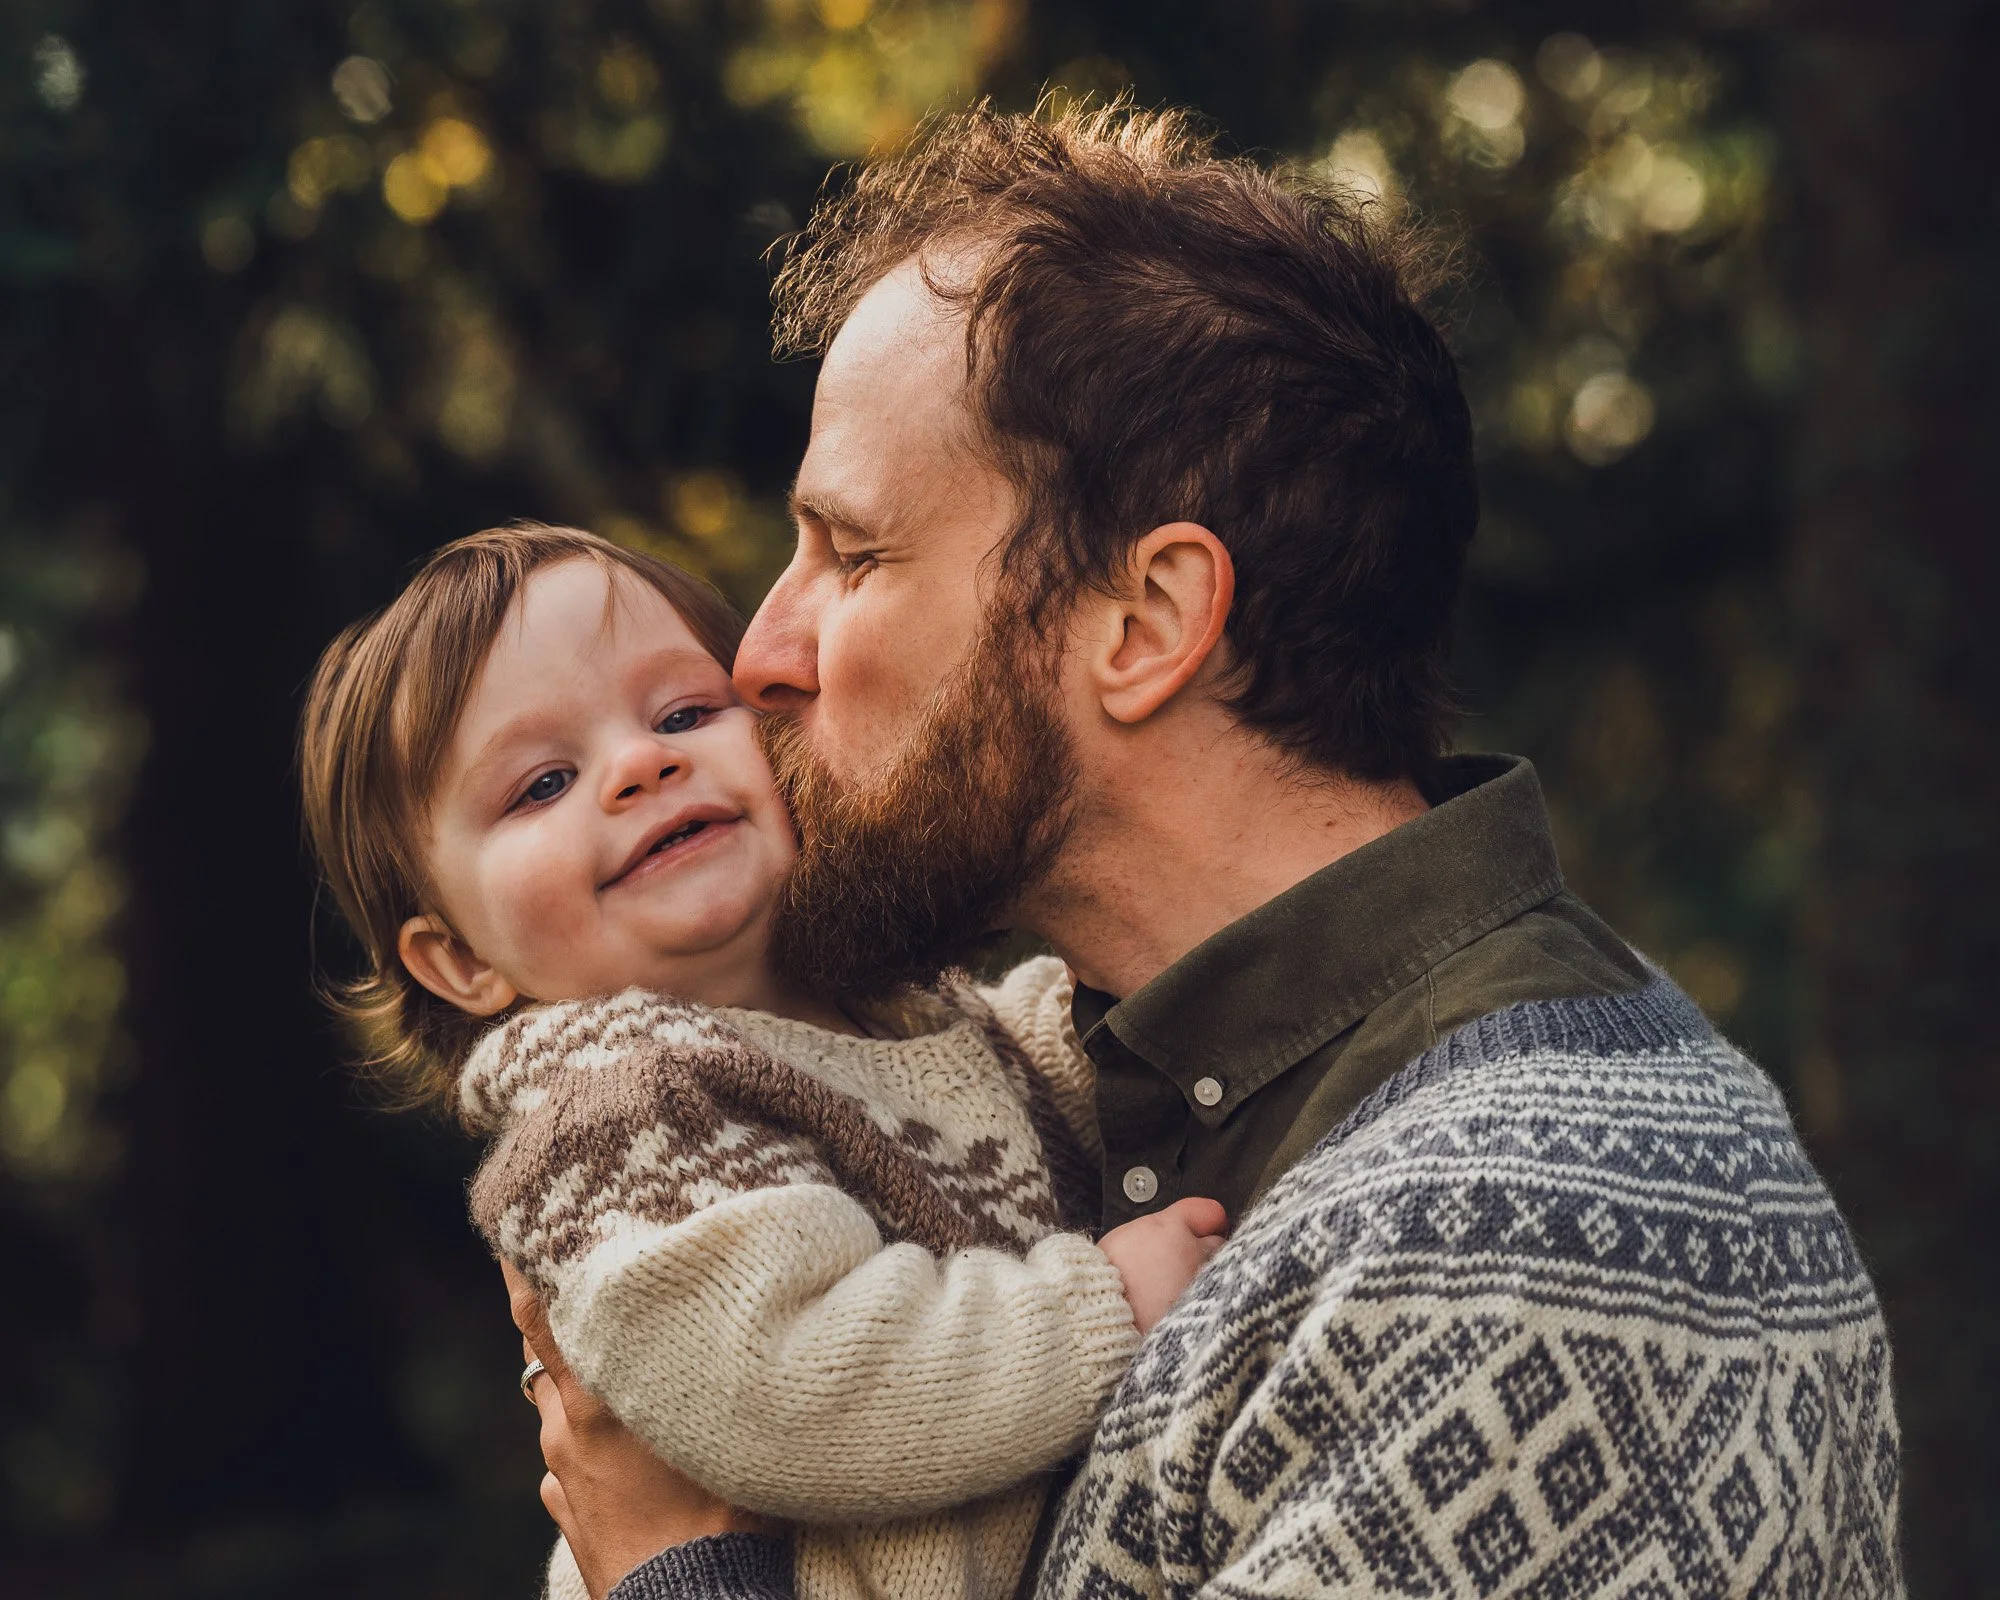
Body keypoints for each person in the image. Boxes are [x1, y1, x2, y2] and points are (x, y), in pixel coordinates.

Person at [542, 102, 1904, 1599]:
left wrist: (673, 1573)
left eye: (854, 554)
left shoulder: (1527, 1238)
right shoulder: (1074, 1094)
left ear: (1146, 625)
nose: (757, 658)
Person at [296, 522, 1231, 1600]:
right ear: (456, 958)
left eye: (685, 713)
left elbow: (1076, 1062)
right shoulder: (619, 1112)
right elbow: (791, 1381)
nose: (642, 763)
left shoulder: (901, 1014)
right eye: (542, 782)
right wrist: (1101, 1304)